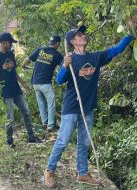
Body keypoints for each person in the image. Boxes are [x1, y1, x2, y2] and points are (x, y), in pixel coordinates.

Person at [44, 25, 134, 187]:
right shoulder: (70, 60)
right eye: (79, 35)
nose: (83, 36)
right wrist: (64, 65)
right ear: (72, 41)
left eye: (83, 34)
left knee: (84, 142)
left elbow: (117, 50)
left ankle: (82, 173)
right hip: (71, 107)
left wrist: (131, 34)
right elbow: (59, 81)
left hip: (87, 107)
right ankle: (49, 170)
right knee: (63, 140)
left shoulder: (95, 57)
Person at [0, 32, 42, 148]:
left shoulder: (11, 55)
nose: (11, 45)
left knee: (26, 111)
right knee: (10, 117)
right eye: (10, 42)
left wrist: (24, 83)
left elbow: (14, 72)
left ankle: (31, 137)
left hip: (16, 89)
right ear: (4, 43)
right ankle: (9, 140)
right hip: (5, 91)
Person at [22, 35, 63, 131]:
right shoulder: (57, 55)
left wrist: (24, 65)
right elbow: (64, 66)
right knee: (51, 102)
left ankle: (45, 123)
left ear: (50, 42)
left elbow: (26, 60)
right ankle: (51, 125)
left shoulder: (40, 50)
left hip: (35, 82)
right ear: (57, 44)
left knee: (41, 103)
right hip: (45, 82)